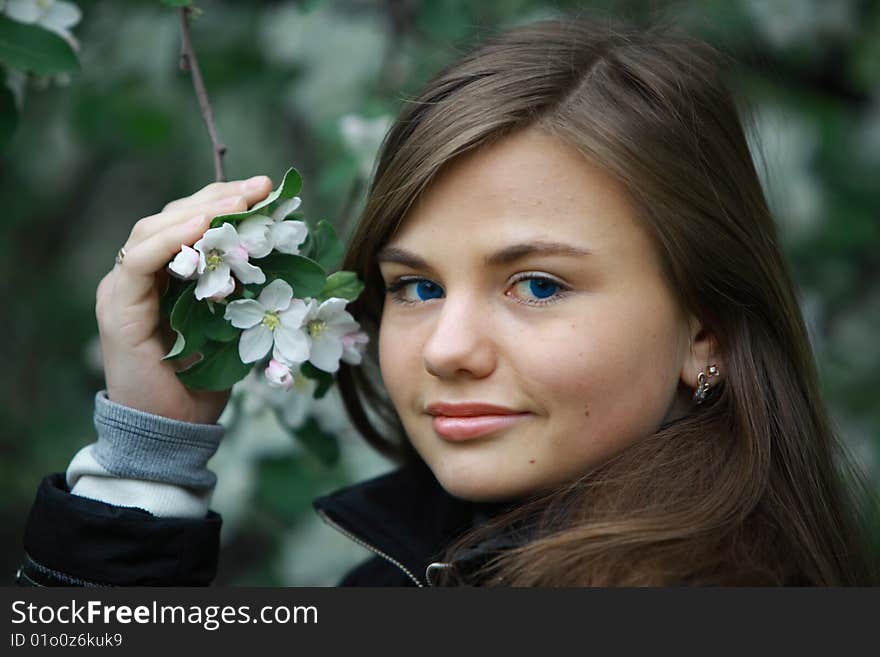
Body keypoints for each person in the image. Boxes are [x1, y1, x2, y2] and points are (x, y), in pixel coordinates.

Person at [16, 16, 879, 587]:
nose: (446, 347)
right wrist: (149, 456)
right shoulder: (416, 573)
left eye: (537, 284)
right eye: (415, 287)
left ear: (708, 328)